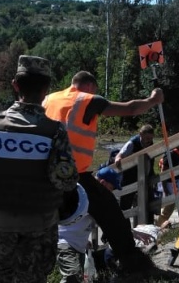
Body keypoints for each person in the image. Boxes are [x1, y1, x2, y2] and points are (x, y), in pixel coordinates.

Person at [0, 55, 78, 283]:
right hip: (41, 225)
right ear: (47, 88)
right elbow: (66, 182)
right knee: (36, 276)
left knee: (1, 276)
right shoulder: (55, 131)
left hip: (2, 224)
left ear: (15, 85)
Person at [43, 70, 163, 273]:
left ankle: (58, 267)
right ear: (90, 86)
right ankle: (132, 262)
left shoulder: (49, 98)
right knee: (110, 213)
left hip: (47, 172)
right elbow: (131, 109)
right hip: (75, 174)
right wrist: (153, 99)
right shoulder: (87, 99)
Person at [57, 168, 121, 283]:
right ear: (103, 183)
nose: (111, 193)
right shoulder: (86, 195)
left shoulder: (88, 195)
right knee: (71, 278)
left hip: (79, 248)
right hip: (66, 243)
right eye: (111, 188)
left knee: (77, 279)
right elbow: (108, 222)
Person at [113, 125, 156, 216]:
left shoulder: (151, 144)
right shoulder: (132, 143)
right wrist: (118, 160)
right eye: (147, 138)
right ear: (140, 134)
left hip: (145, 177)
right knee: (125, 206)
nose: (149, 141)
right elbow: (120, 155)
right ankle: (125, 227)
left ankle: (148, 224)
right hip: (130, 177)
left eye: (151, 138)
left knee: (149, 204)